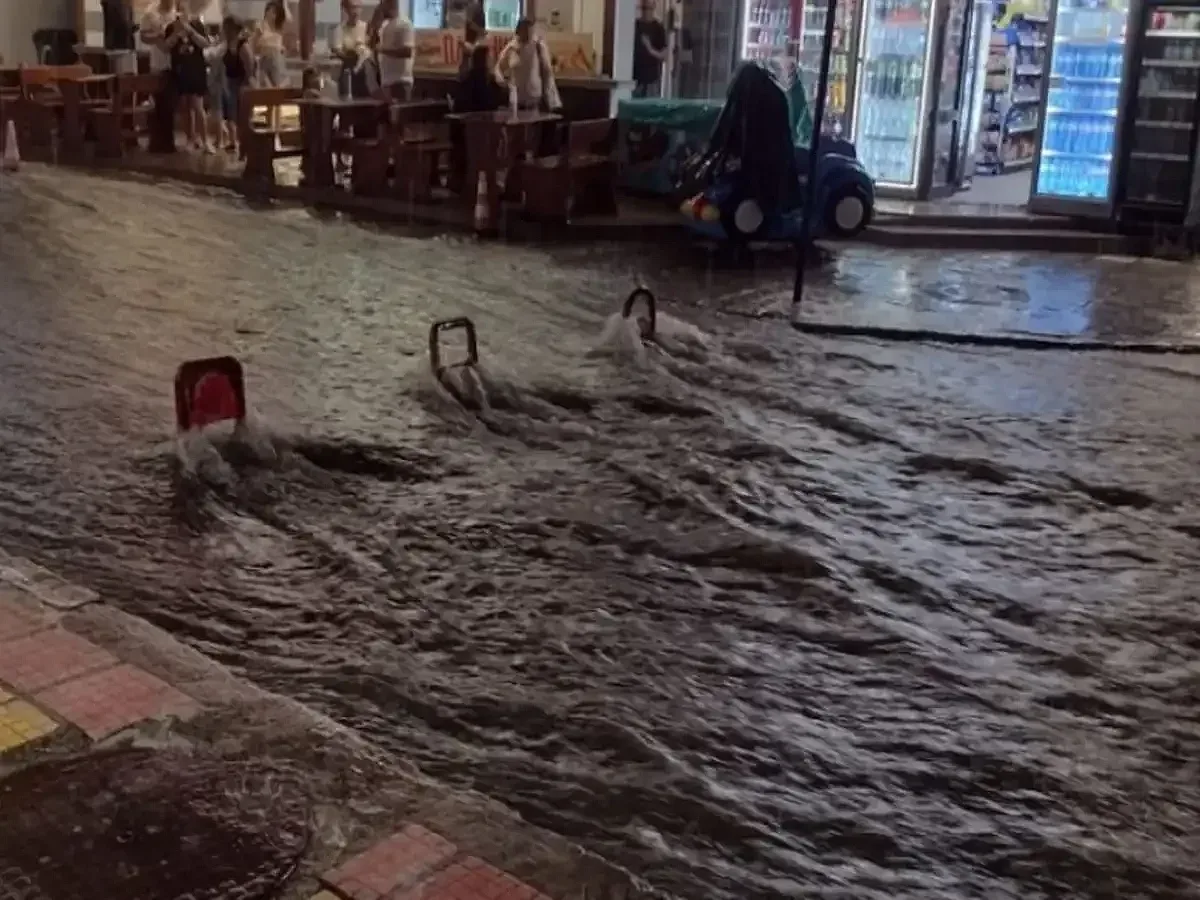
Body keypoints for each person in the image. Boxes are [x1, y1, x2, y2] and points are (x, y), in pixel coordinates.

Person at [165, 7, 212, 152]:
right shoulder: (171, 26)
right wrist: (177, 34)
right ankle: (191, 139)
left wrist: (190, 31)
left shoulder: (197, 25)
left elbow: (205, 43)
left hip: (196, 70)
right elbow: (166, 46)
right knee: (185, 106)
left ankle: (206, 141)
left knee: (198, 106)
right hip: (180, 70)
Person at [494, 18, 561, 112]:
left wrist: (549, 97)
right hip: (516, 100)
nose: (529, 34)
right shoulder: (511, 47)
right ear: (519, 31)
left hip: (534, 99)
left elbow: (547, 72)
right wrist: (503, 82)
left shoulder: (538, 46)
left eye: (531, 31)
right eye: (526, 30)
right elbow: (499, 67)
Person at [139, 0, 177, 152]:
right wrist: (157, 37)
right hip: (158, 63)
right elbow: (143, 36)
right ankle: (156, 141)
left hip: (175, 64)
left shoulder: (177, 10)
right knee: (158, 104)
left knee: (170, 106)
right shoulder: (151, 12)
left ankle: (168, 142)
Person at [213, 16, 253, 153]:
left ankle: (244, 144)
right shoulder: (227, 44)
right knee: (230, 113)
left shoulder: (242, 45)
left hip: (240, 82)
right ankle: (232, 141)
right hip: (229, 81)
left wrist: (246, 84)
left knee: (240, 115)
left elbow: (249, 66)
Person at [375, 0, 415, 102]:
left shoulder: (404, 24)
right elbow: (373, 44)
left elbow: (407, 52)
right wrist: (376, 22)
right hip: (386, 81)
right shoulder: (385, 25)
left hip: (399, 82)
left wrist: (383, 50)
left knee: (398, 115)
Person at [331, 0, 373, 97]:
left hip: (366, 73)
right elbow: (338, 50)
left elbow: (371, 48)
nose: (355, 11)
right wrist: (350, 54)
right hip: (348, 72)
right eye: (352, 7)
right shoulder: (339, 29)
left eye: (358, 7)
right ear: (345, 10)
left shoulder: (366, 27)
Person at [633, 0, 667, 98]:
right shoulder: (635, 25)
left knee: (649, 109)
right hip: (635, 78)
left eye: (649, 9)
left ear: (654, 8)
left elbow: (664, 56)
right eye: (644, 8)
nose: (646, 12)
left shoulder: (658, 28)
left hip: (651, 80)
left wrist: (650, 49)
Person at [256, 0, 291, 87]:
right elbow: (255, 45)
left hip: (276, 60)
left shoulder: (278, 28)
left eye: (273, 12)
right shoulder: (261, 26)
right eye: (268, 11)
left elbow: (289, 18)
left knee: (279, 81)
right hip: (265, 58)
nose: (270, 14)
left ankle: (279, 86)